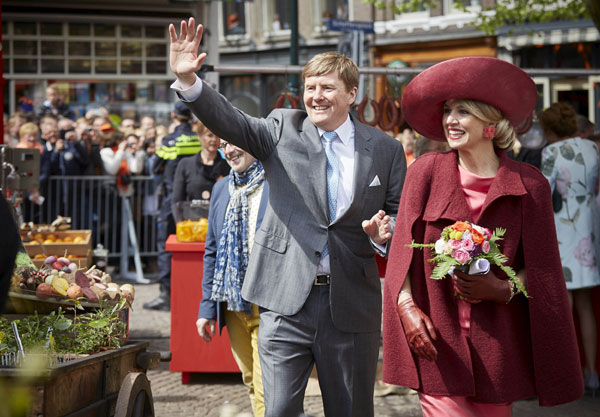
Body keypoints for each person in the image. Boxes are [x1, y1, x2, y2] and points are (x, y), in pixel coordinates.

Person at [169, 18, 406, 417]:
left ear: (352, 93)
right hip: (283, 303)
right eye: (310, 88)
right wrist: (191, 82)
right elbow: (231, 121)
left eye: (327, 87)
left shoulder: (384, 149)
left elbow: (399, 214)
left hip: (350, 306)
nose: (315, 96)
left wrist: (383, 234)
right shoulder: (281, 128)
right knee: (276, 411)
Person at [382, 56, 584, 416]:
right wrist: (407, 307)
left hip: (498, 350)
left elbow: (543, 271)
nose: (450, 120)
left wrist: (505, 288)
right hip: (437, 346)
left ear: (490, 123)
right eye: (447, 111)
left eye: (463, 112)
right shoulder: (425, 172)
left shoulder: (530, 184)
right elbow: (401, 254)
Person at [197, 141, 269, 417]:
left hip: (267, 303)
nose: (228, 151)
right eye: (223, 144)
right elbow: (212, 251)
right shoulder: (221, 187)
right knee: (250, 380)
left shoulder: (275, 182)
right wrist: (206, 309)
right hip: (232, 303)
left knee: (267, 386)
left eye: (234, 142)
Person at [540, 102, 600, 397]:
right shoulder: (592, 148)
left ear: (550, 131)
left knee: (565, 306)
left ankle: (568, 373)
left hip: (562, 228)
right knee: (586, 304)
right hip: (588, 225)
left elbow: (543, 190)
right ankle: (591, 373)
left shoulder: (550, 152)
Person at [143, 101, 202, 311]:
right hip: (193, 201)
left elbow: (156, 166)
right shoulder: (197, 139)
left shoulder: (170, 141)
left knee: (165, 245)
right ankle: (191, 291)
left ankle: (166, 294)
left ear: (174, 116)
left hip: (170, 200)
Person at [171, 121, 229, 217]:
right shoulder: (185, 164)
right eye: (209, 135)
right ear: (200, 136)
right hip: (192, 225)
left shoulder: (227, 166)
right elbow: (176, 201)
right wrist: (180, 223)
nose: (214, 139)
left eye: (217, 136)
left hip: (217, 224)